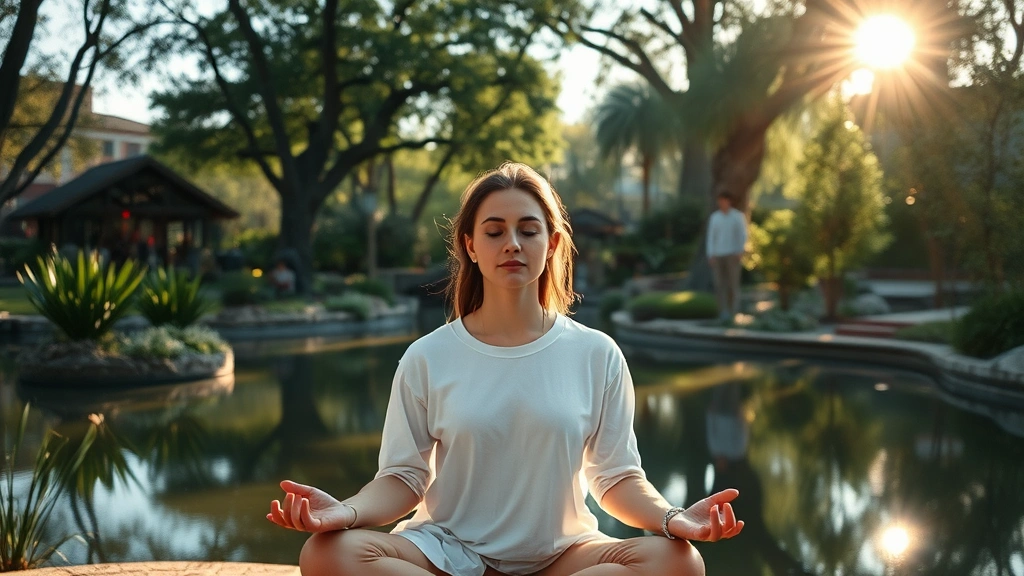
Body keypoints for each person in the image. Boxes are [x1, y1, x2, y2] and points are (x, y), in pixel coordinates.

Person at [267, 162, 744, 576]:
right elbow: (404, 479)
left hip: (563, 556)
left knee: (679, 563)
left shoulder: (597, 354)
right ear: (470, 245)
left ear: (552, 243)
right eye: (494, 231)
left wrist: (672, 518)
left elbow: (616, 478)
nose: (512, 243)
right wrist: (346, 512)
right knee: (329, 553)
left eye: (528, 230)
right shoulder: (427, 357)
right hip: (446, 554)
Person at [706, 190, 748, 321]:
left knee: (732, 284)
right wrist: (711, 253)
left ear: (729, 201)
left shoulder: (737, 216)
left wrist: (740, 250)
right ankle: (722, 311)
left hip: (732, 254)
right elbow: (711, 237)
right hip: (718, 254)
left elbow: (742, 235)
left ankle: (733, 311)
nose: (721, 204)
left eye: (724, 201)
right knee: (719, 284)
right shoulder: (715, 217)